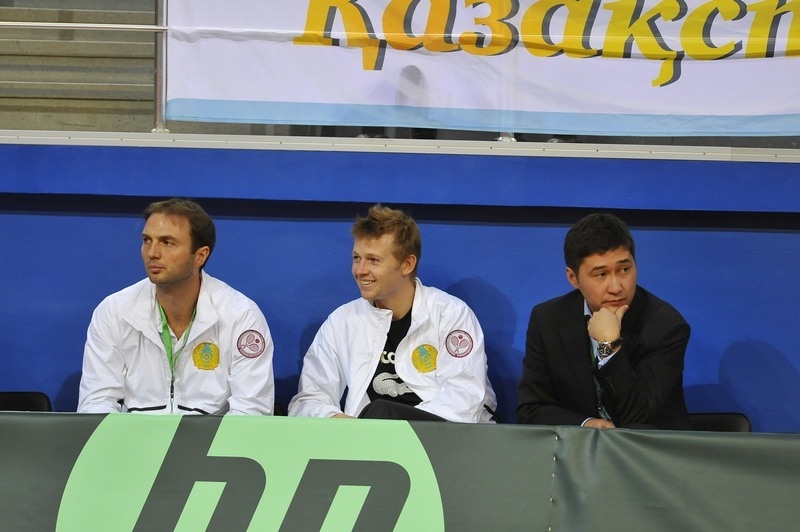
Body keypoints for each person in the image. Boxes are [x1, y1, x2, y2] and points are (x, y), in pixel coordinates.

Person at [288, 204, 497, 422]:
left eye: (373, 260)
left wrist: (390, 429)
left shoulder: (451, 315)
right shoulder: (342, 321)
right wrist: (336, 419)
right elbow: (307, 401)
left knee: (381, 412)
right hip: (368, 436)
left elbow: (463, 402)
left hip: (441, 436)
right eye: (357, 258)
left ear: (407, 264)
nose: (360, 270)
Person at [78, 198, 275, 414]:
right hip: (134, 435)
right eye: (147, 240)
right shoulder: (113, 311)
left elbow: (251, 412)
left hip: (213, 436)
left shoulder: (242, 315)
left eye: (167, 242)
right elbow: (96, 402)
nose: (152, 253)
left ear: (200, 256)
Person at [517, 213, 690, 430]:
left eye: (624, 270)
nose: (616, 287)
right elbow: (532, 409)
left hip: (649, 446)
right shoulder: (547, 320)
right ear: (573, 278)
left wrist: (609, 346)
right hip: (578, 446)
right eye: (601, 274)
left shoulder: (665, 326)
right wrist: (585, 425)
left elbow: (638, 415)